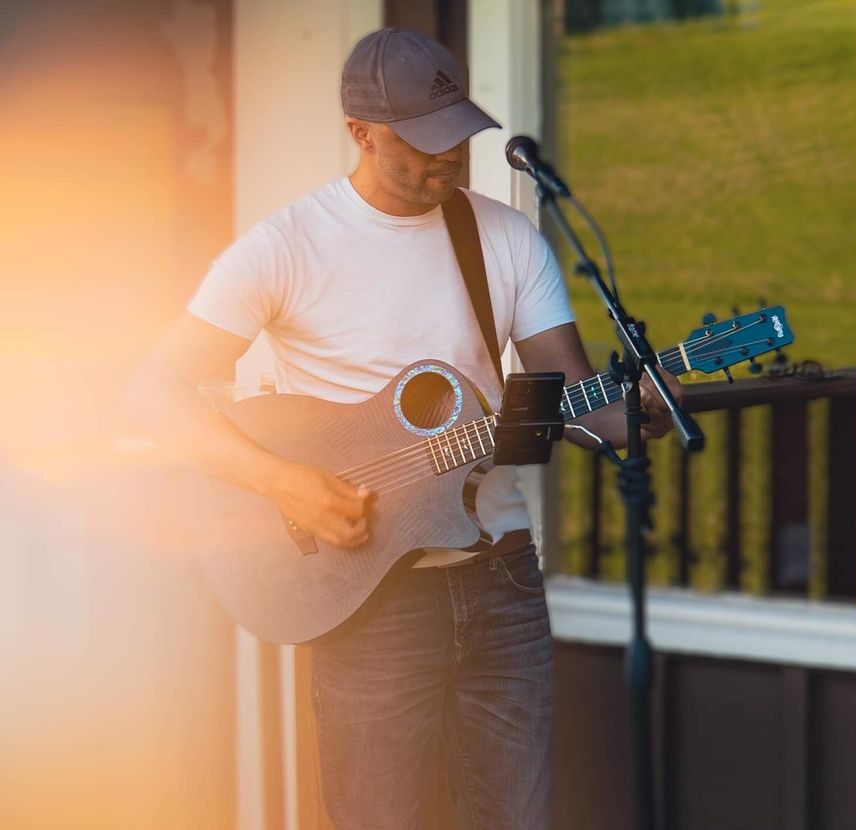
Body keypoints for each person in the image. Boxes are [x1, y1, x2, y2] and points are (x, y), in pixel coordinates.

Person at [128, 28, 681, 830]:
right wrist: (289, 484)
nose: (445, 160)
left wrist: (645, 406)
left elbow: (583, 401)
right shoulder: (285, 249)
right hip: (370, 598)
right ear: (359, 132)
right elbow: (153, 394)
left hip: (503, 580)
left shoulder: (505, 238)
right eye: (421, 144)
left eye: (456, 137)